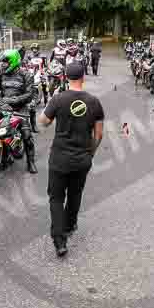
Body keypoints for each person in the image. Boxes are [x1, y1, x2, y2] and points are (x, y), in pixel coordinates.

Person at [39, 61, 104, 257]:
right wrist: (90, 153)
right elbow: (99, 135)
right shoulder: (94, 102)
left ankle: (59, 240)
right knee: (75, 193)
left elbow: (44, 122)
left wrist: (49, 111)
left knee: (56, 197)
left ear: (66, 78)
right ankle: (69, 224)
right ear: (83, 78)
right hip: (82, 158)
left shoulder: (58, 99)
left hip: (59, 157)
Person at [0, 49, 38, 174]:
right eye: (2, 62)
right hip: (4, 106)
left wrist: (14, 100)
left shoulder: (26, 75)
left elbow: (29, 94)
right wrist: (1, 102)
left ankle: (31, 162)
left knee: (27, 135)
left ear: (13, 62)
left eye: (5, 62)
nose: (2, 64)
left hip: (20, 109)